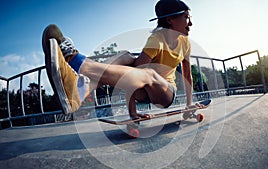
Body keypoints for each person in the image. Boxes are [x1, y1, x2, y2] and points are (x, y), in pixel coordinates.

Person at [42, 0, 195, 120]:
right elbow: (131, 77)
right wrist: (133, 113)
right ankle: (81, 88)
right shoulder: (156, 40)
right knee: (126, 57)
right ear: (170, 20)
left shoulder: (185, 43)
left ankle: (76, 63)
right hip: (143, 91)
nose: (190, 23)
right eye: (186, 17)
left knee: (148, 73)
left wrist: (190, 105)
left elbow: (187, 76)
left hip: (166, 94)